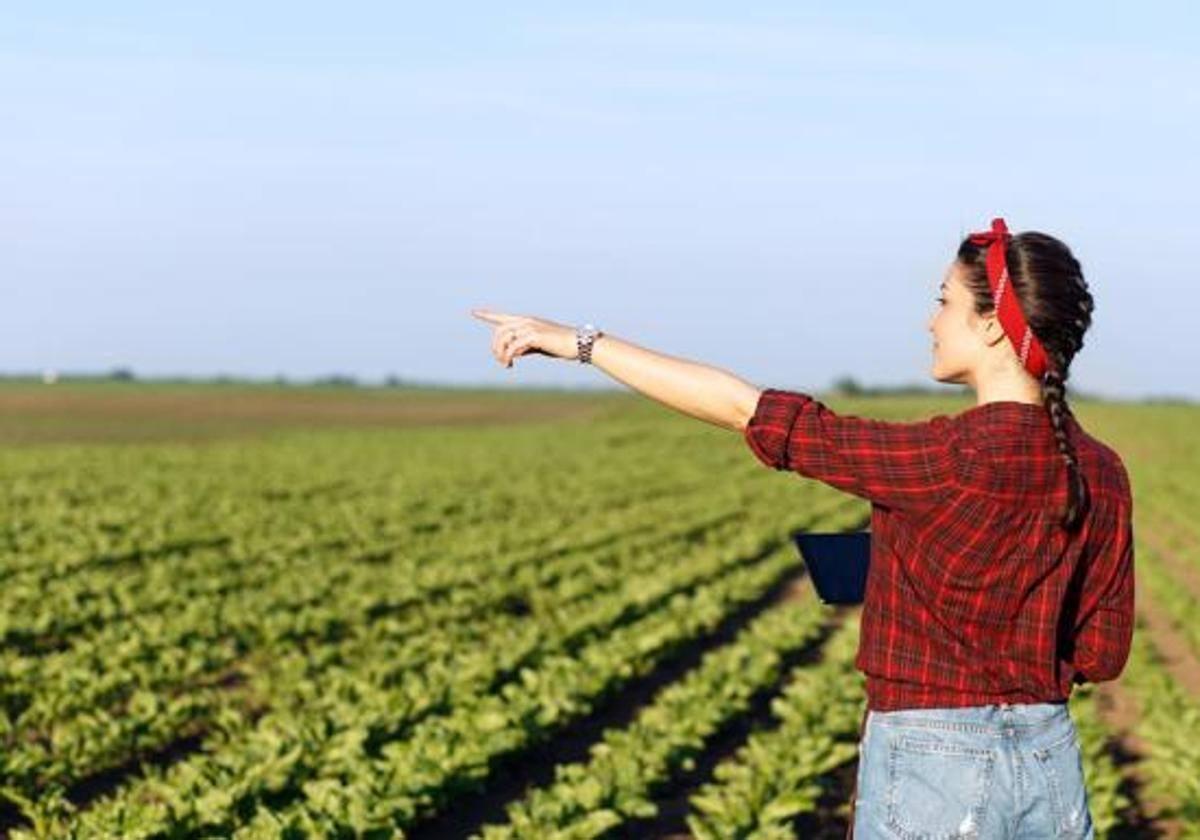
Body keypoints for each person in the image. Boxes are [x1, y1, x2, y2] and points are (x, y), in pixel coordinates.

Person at [470, 217, 1134, 839]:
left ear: (993, 327)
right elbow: (1101, 655)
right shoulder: (1103, 472)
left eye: (944, 302)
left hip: (935, 760)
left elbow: (743, 409)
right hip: (1050, 759)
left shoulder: (942, 458)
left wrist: (582, 344)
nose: (931, 321)